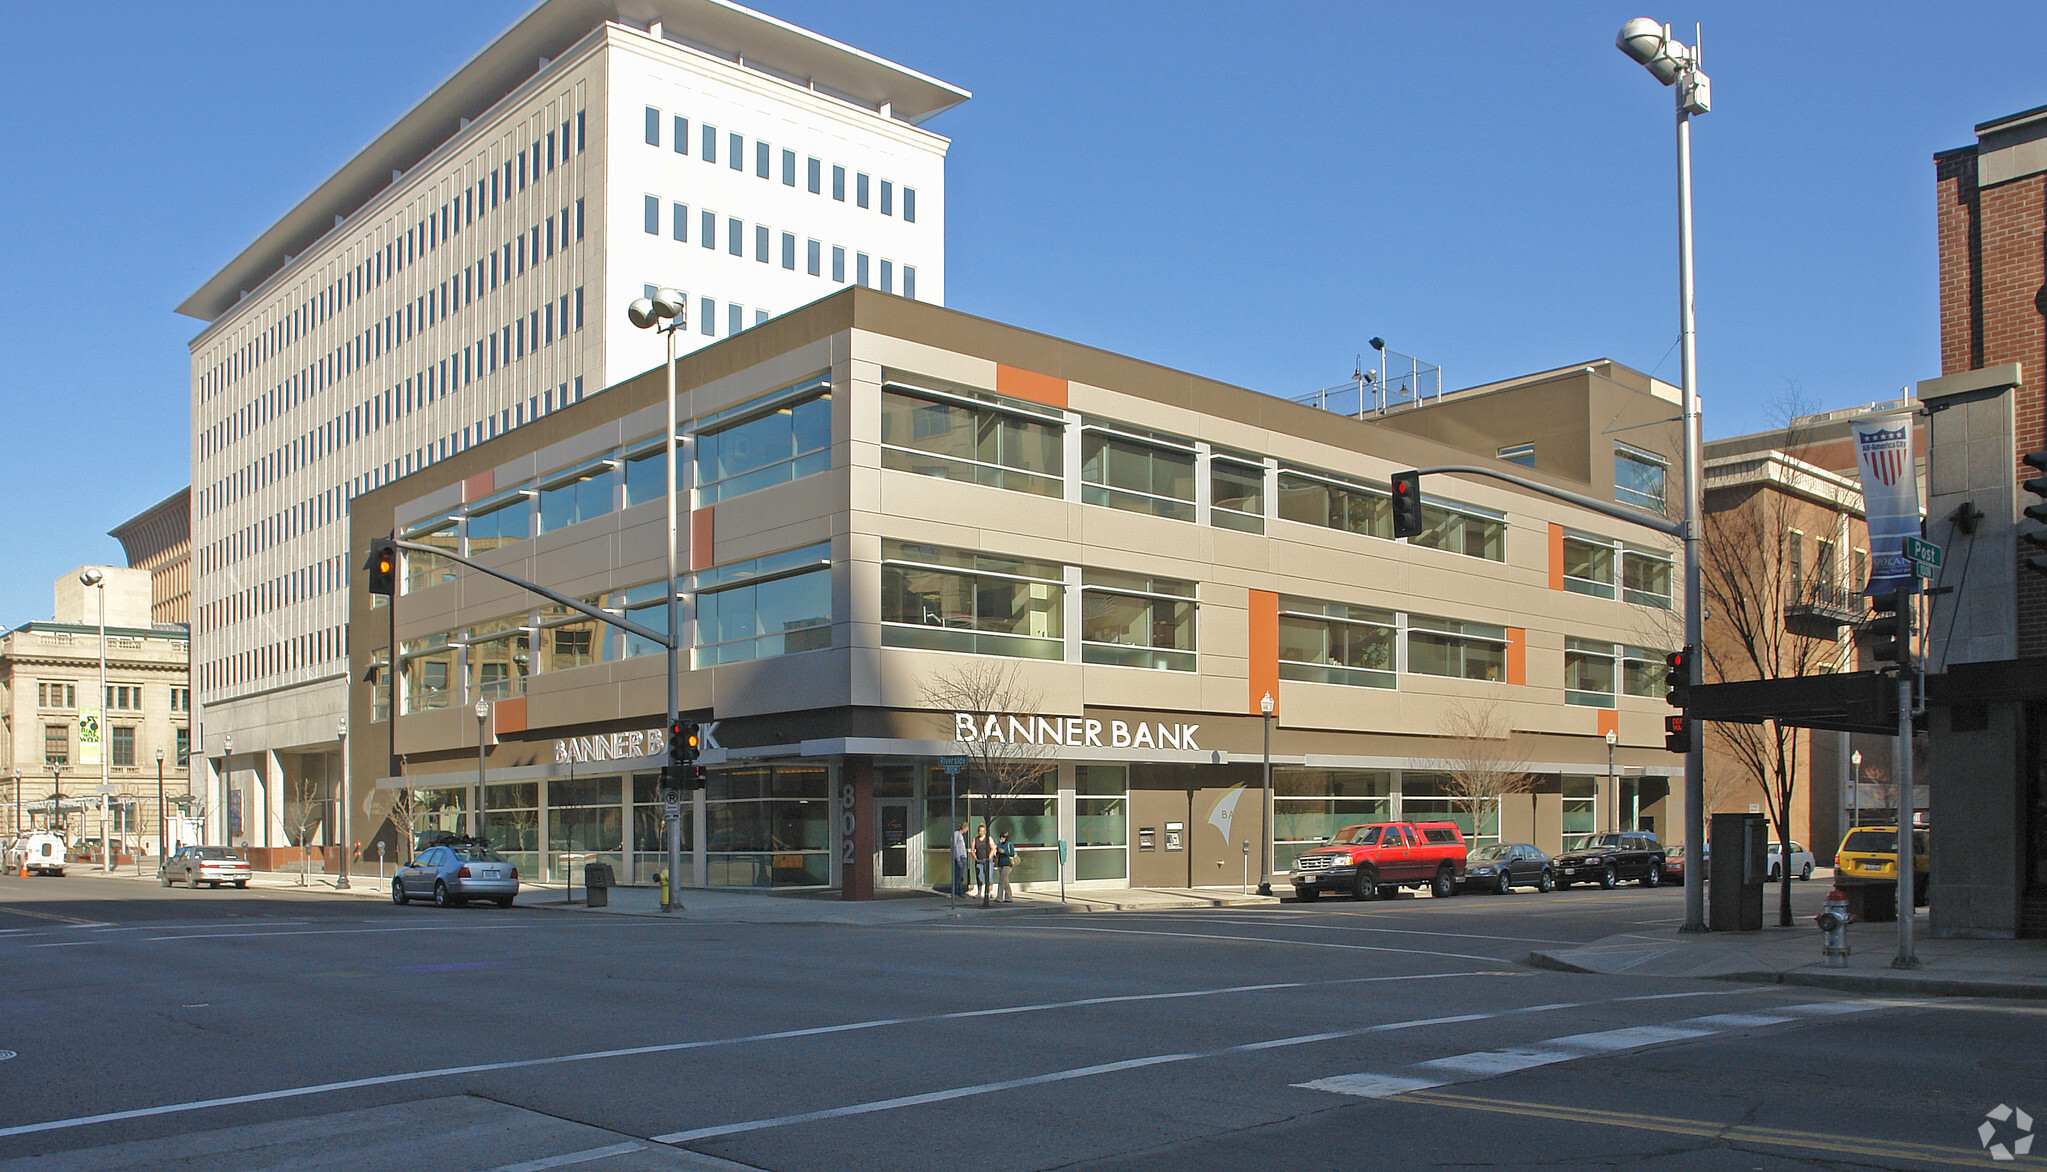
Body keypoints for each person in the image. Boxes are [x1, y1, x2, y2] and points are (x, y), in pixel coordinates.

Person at [973, 823, 994, 906]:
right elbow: (972, 849)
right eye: (980, 831)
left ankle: (990, 892)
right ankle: (979, 892)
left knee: (989, 876)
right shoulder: (975, 839)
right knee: (979, 876)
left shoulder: (988, 839)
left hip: (987, 860)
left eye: (983, 831)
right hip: (979, 860)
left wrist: (989, 857)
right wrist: (975, 858)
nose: (981, 833)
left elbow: (993, 848)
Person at [950, 821, 969, 899]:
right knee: (958, 875)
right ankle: (957, 891)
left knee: (961, 875)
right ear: (964, 827)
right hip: (960, 858)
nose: (967, 830)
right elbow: (955, 847)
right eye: (967, 828)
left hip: (963, 857)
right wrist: (958, 859)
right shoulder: (956, 834)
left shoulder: (960, 835)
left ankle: (959, 890)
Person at [995, 832, 1017, 902]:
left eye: (1003, 837)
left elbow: (1012, 853)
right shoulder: (1000, 844)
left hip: (1008, 864)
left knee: (1001, 880)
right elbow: (997, 850)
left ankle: (999, 897)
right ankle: (1009, 897)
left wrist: (1004, 851)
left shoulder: (1009, 844)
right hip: (1001, 863)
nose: (1002, 838)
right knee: (1005, 881)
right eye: (1001, 837)